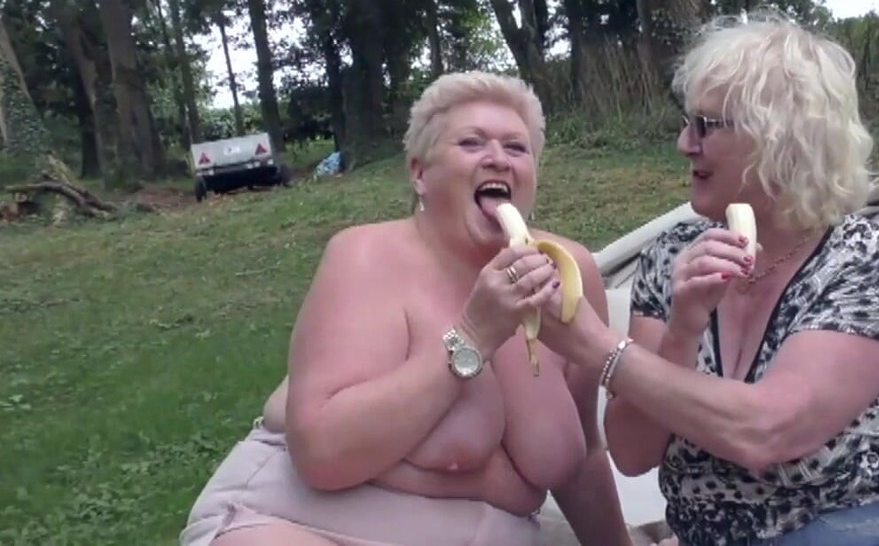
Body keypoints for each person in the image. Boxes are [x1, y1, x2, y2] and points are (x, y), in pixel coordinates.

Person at [529, 14, 879, 546]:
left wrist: (593, 345)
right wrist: (683, 329)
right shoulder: (671, 257)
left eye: (705, 125)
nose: (684, 144)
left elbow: (767, 432)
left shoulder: (875, 266)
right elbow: (631, 452)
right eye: (686, 122)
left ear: (782, 138)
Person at [179, 71, 634, 546]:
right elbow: (320, 454)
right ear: (419, 174)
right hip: (304, 523)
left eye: (516, 148)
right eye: (472, 142)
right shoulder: (366, 257)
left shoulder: (568, 272)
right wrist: (473, 337)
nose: (498, 158)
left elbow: (583, 456)